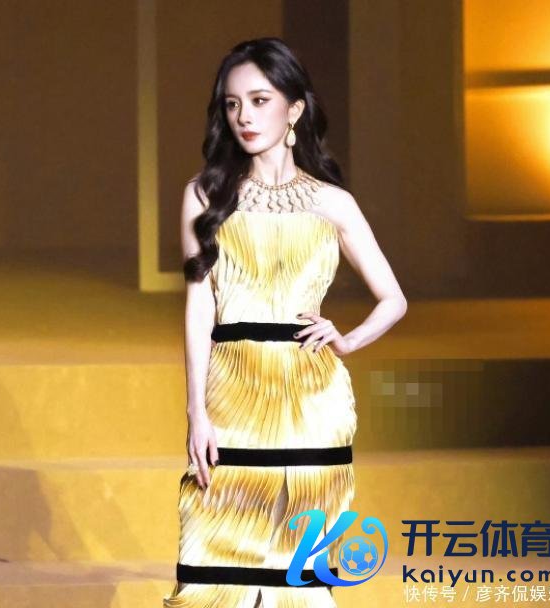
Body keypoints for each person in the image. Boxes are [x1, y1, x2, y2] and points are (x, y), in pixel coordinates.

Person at [163, 37, 407, 608]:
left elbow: (393, 298)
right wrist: (196, 410)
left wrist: (346, 340)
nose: (244, 116)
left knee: (301, 559)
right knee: (214, 555)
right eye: (232, 104)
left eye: (259, 100)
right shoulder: (205, 196)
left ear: (294, 109)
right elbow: (199, 305)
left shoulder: (331, 202)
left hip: (312, 398)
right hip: (232, 390)